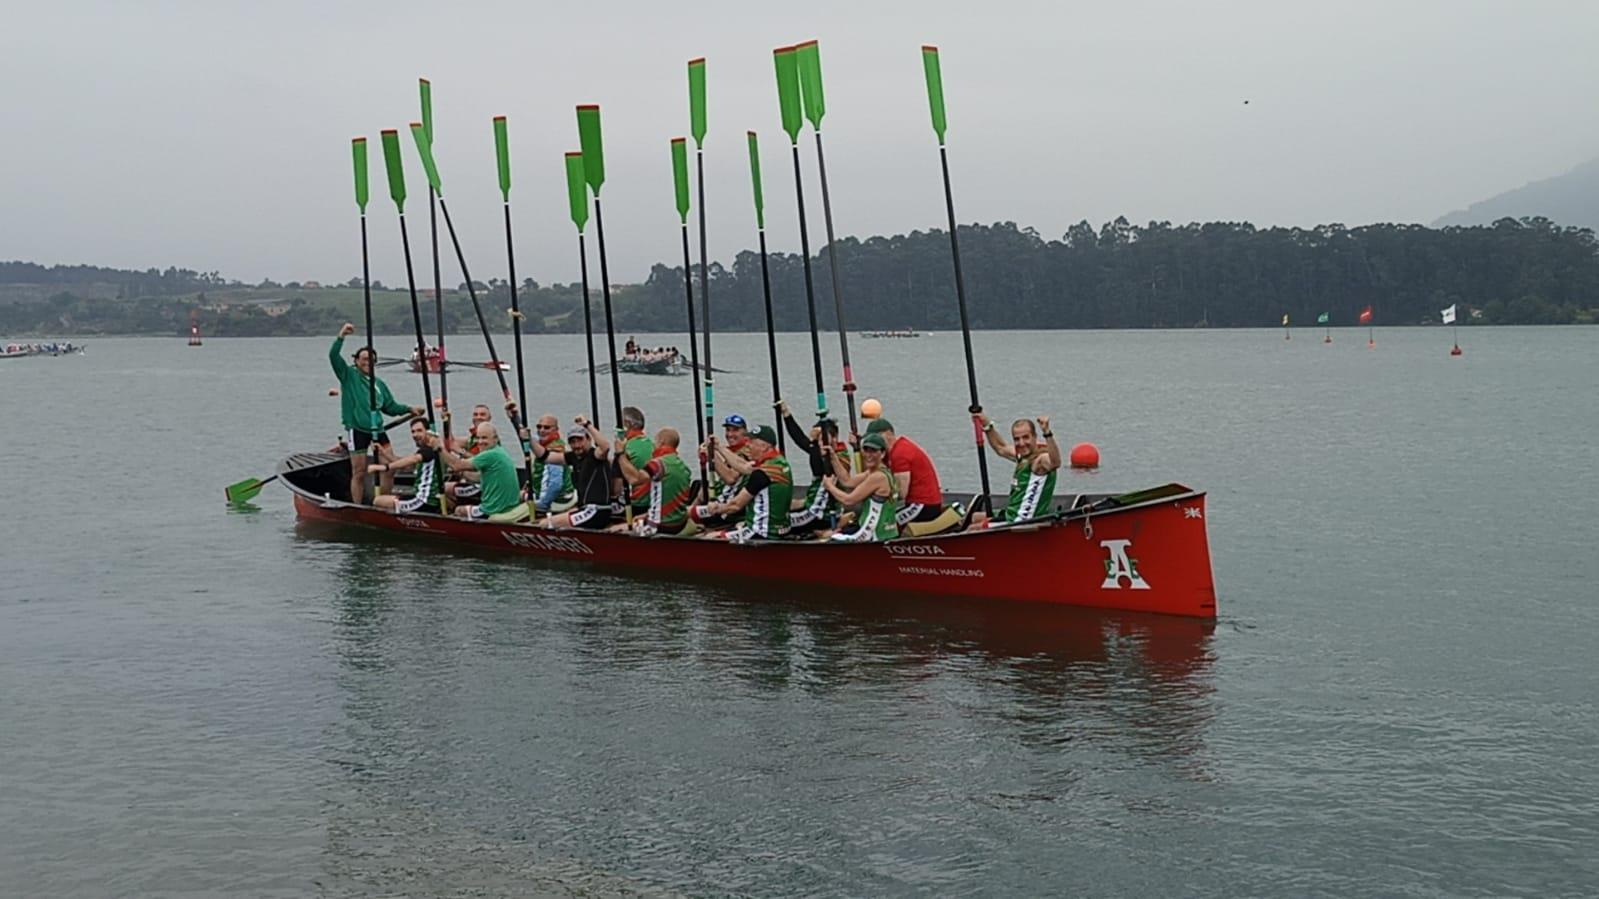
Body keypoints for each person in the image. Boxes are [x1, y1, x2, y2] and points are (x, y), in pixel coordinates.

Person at [329, 322, 424, 504]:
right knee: (359, 472)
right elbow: (333, 356)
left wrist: (409, 409)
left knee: (389, 468)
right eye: (363, 359)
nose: (367, 362)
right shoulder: (348, 376)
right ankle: (357, 506)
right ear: (356, 361)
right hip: (357, 430)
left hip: (378, 431)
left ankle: (383, 503)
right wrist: (341, 336)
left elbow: (390, 407)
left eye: (371, 359)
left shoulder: (379, 384)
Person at [694, 425, 792, 542]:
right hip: (781, 528)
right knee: (738, 525)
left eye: (752, 442)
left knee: (709, 537)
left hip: (761, 532)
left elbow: (735, 505)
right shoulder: (780, 462)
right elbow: (743, 466)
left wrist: (716, 509)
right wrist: (718, 447)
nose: (748, 445)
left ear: (764, 446)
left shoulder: (761, 474)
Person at [777, 399, 849, 532]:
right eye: (819, 441)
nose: (821, 444)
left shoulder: (839, 456)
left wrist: (812, 442)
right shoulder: (819, 451)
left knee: (778, 524)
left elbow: (818, 468)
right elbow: (800, 439)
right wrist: (786, 414)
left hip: (820, 514)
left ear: (835, 438)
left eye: (823, 440)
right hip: (816, 508)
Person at [976, 413, 1062, 524]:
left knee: (973, 528)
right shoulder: (1023, 456)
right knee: (975, 517)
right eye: (1017, 439)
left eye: (1026, 437)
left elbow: (1055, 463)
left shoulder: (1040, 461)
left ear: (1034, 437)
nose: (1021, 443)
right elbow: (1000, 448)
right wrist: (986, 423)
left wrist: (1047, 433)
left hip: (1022, 522)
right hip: (1011, 514)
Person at [863, 418, 946, 530]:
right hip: (921, 502)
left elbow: (901, 493)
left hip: (923, 505)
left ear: (888, 434)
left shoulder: (900, 454)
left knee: (886, 525)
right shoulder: (895, 449)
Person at [535, 417, 614, 529]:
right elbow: (545, 457)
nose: (576, 445)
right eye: (572, 442)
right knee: (552, 519)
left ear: (588, 440)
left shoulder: (595, 456)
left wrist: (587, 425)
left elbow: (605, 446)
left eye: (580, 440)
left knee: (544, 524)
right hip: (584, 509)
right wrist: (528, 439)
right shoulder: (573, 457)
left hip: (596, 511)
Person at [820, 431, 899, 541]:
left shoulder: (878, 477)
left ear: (883, 454)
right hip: (883, 532)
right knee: (830, 533)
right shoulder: (878, 472)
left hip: (872, 534)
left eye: (873, 451)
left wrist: (829, 487)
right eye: (866, 450)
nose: (868, 455)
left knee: (831, 540)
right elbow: (847, 481)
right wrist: (833, 457)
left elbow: (848, 500)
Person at [441, 422, 527, 522]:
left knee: (459, 510)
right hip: (502, 502)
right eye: (479, 438)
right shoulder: (500, 451)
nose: (480, 442)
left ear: (495, 439)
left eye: (484, 438)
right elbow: (475, 476)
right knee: (450, 488)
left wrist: (439, 448)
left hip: (492, 510)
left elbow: (456, 465)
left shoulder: (490, 454)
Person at [617, 427, 695, 535]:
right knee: (636, 519)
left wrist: (620, 454)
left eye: (656, 441)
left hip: (659, 526)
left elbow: (634, 479)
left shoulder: (658, 464)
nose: (654, 445)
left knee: (617, 529)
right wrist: (646, 515)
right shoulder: (683, 467)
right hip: (679, 523)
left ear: (661, 441)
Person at [368, 419, 446, 515]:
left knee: (378, 501)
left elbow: (413, 459)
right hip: (427, 499)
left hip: (423, 501)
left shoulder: (429, 450)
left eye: (419, 431)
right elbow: (407, 467)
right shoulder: (432, 448)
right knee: (391, 498)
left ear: (428, 432)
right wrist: (383, 453)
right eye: (413, 432)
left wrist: (384, 467)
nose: (415, 435)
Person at [516, 411, 576, 516]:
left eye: (547, 428)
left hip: (557, 499)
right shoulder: (542, 442)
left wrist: (542, 505)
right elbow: (525, 437)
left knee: (515, 497)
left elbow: (556, 484)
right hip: (544, 492)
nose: (542, 430)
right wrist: (514, 417)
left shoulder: (555, 449)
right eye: (539, 427)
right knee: (521, 494)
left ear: (556, 430)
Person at [445, 404, 494, 504]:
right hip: (471, 478)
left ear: (489, 418)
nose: (478, 417)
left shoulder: (491, 439)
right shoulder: (472, 438)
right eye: (475, 414)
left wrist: (461, 452)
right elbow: (450, 443)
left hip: (483, 483)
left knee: (443, 488)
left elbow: (482, 461)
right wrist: (447, 421)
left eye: (482, 414)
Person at [611, 406, 655, 518]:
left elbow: (617, 488)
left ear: (627, 424)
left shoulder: (624, 449)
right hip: (654, 501)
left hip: (637, 504)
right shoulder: (652, 444)